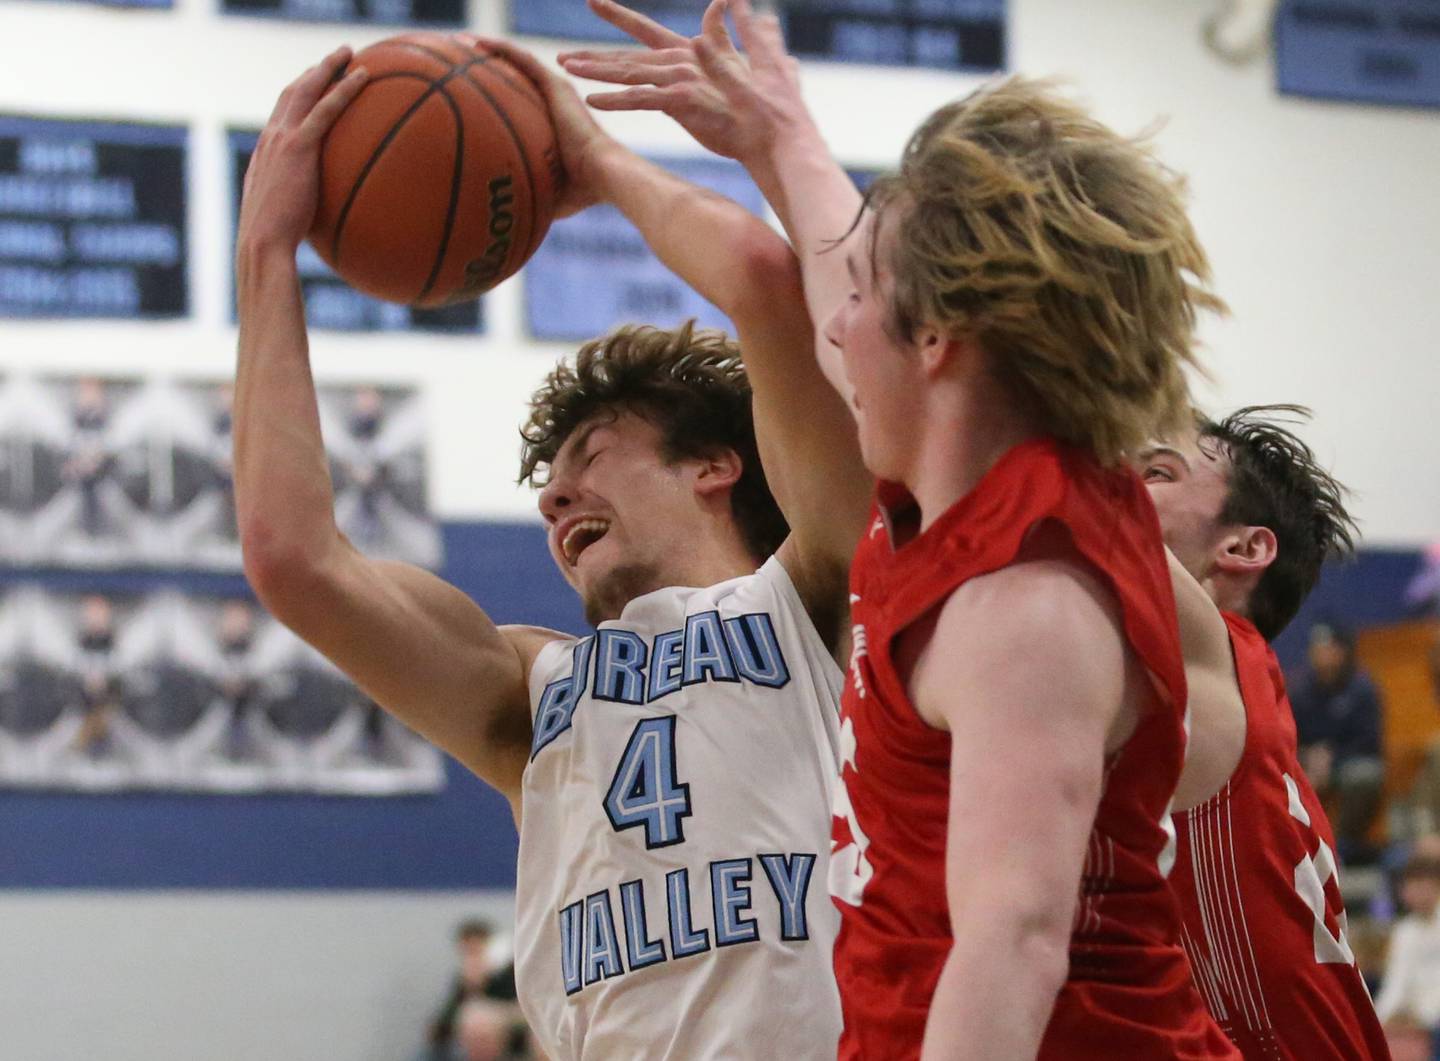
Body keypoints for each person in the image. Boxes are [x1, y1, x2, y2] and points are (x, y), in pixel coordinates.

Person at [563, 2, 1236, 1056]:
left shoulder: (1025, 602)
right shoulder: (956, 483)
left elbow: (1010, 945)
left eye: (864, 294)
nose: (833, 320)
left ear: (936, 339)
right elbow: (835, 266)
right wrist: (778, 136)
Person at [234, 39, 869, 1059]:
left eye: (593, 451)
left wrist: (599, 157)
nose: (555, 493)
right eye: (549, 477)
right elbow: (291, 557)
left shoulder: (820, 597)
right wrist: (265, 254)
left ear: (715, 464)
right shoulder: (530, 689)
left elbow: (759, 277)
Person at [1137, 407, 1389, 1058]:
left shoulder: (1226, 661)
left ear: (1244, 548)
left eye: (1157, 472)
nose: (1126, 483)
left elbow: (1091, 512)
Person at [1289, 620, 1386, 860]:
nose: (1320, 653)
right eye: (1316, 648)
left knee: (1365, 775)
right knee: (1284, 779)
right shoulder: (1300, 690)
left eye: (1327, 647)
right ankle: (1298, 847)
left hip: (1348, 761)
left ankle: (1344, 847)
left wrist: (1332, 757)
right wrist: (1309, 756)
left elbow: (1370, 741)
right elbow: (1286, 736)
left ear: (1342, 651)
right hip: (1309, 762)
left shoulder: (1362, 688)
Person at [1375, 847, 1440, 1032]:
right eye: (1410, 886)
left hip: (1431, 1020)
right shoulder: (1404, 932)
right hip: (1411, 1021)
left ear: (1436, 886)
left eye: (1421, 885)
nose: (1414, 892)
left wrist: (1425, 1016)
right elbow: (1395, 982)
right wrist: (1381, 1020)